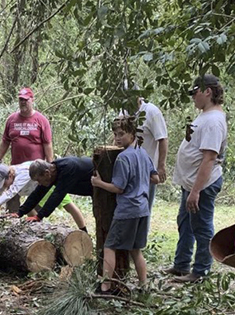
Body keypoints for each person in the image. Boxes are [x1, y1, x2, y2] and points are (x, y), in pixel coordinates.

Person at [165, 74, 227, 283]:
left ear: (207, 91)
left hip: (203, 185)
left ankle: (201, 271)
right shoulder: (205, 116)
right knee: (185, 223)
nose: (192, 96)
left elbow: (209, 158)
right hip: (191, 183)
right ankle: (181, 265)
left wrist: (196, 191)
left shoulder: (214, 121)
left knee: (201, 226)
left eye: (195, 92)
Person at [91, 117, 159, 293]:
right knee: (135, 249)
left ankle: (105, 286)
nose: (117, 138)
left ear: (132, 133)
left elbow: (118, 188)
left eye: (121, 134)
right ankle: (144, 286)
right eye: (115, 134)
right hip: (143, 208)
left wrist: (99, 183)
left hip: (127, 209)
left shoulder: (123, 158)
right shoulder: (142, 153)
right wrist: (140, 179)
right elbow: (155, 178)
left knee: (109, 246)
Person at [0, 162, 87, 231]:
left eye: (4, 183)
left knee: (68, 206)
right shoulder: (11, 175)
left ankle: (83, 230)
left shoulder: (22, 173)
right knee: (29, 209)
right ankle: (38, 231)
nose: (4, 186)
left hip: (48, 186)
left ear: (9, 175)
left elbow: (10, 193)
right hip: (37, 191)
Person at [0, 87, 53, 212]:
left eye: (26, 100)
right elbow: (5, 141)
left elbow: (47, 143)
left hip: (37, 168)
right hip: (16, 168)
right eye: (21, 99)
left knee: (36, 198)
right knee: (12, 196)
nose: (23, 102)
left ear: (32, 100)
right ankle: (11, 218)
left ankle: (37, 220)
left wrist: (50, 164)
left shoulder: (41, 120)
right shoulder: (11, 119)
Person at [15, 157, 94, 222]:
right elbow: (38, 193)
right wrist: (20, 212)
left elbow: (58, 195)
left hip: (99, 186)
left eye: (39, 180)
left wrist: (39, 216)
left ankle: (85, 232)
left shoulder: (67, 169)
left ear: (47, 173)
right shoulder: (51, 172)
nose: (39, 183)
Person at [134, 96, 168, 206]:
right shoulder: (124, 111)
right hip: (129, 169)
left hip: (147, 170)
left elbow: (162, 139)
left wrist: (161, 166)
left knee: (144, 207)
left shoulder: (152, 112)